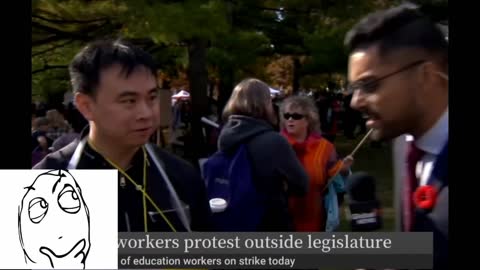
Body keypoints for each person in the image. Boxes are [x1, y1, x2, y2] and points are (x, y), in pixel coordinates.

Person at [34, 39, 212, 232]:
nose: (145, 113)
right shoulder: (47, 182)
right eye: (129, 101)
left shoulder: (180, 177)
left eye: (152, 98)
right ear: (85, 106)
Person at [345, 5, 448, 269]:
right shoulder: (403, 144)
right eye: (354, 88)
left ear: (424, 76)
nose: (355, 102)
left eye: (369, 85)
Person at [218, 78, 309, 231]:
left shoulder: (224, 138)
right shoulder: (275, 141)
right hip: (270, 223)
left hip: (234, 221)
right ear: (265, 104)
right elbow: (301, 185)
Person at [280, 96, 353, 232]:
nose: (290, 119)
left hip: (316, 220)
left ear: (308, 120)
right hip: (282, 221)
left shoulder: (325, 148)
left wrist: (344, 169)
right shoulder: (275, 145)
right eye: (287, 115)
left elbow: (337, 181)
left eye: (296, 116)